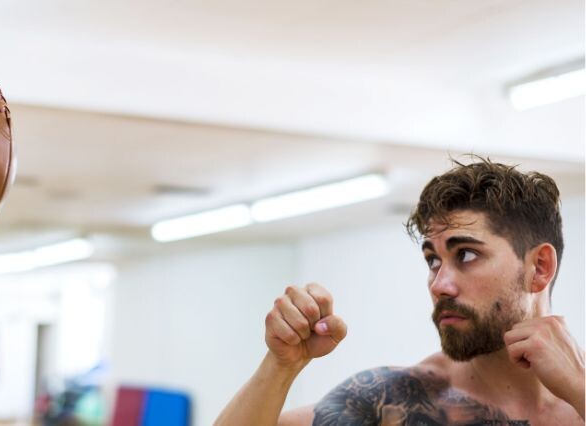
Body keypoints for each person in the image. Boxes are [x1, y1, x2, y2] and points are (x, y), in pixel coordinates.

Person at [215, 159, 585, 425]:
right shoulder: (399, 402)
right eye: (433, 260)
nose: (440, 284)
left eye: (467, 255)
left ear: (539, 268)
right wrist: (281, 366)